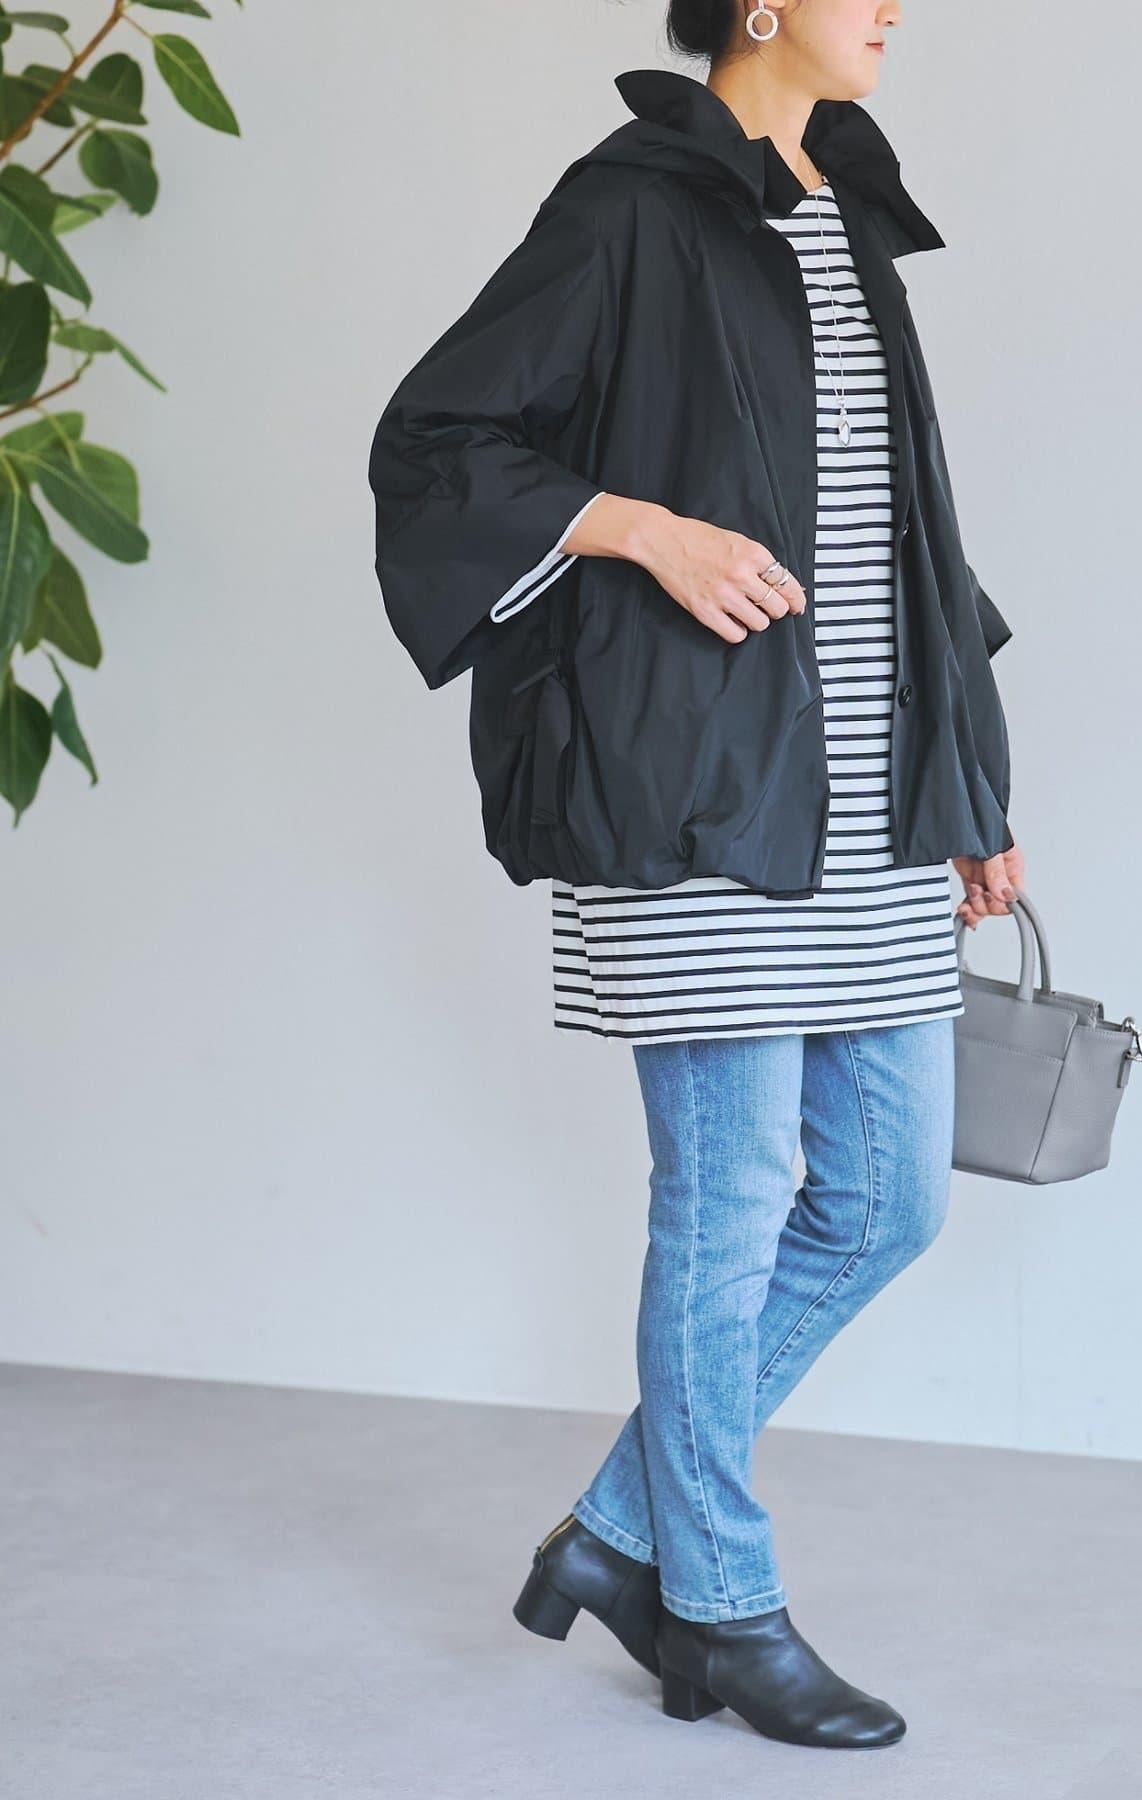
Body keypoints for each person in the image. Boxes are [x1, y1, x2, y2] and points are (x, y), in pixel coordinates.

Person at [368, 0, 1024, 1751]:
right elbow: (438, 438)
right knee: (728, 1208)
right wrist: (643, 529)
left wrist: (974, 779)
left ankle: (616, 1532)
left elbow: (914, 533)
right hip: (701, 789)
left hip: (873, 797)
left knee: (889, 1201)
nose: (893, 8)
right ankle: (720, 1607)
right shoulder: (630, 205)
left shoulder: (848, 211)